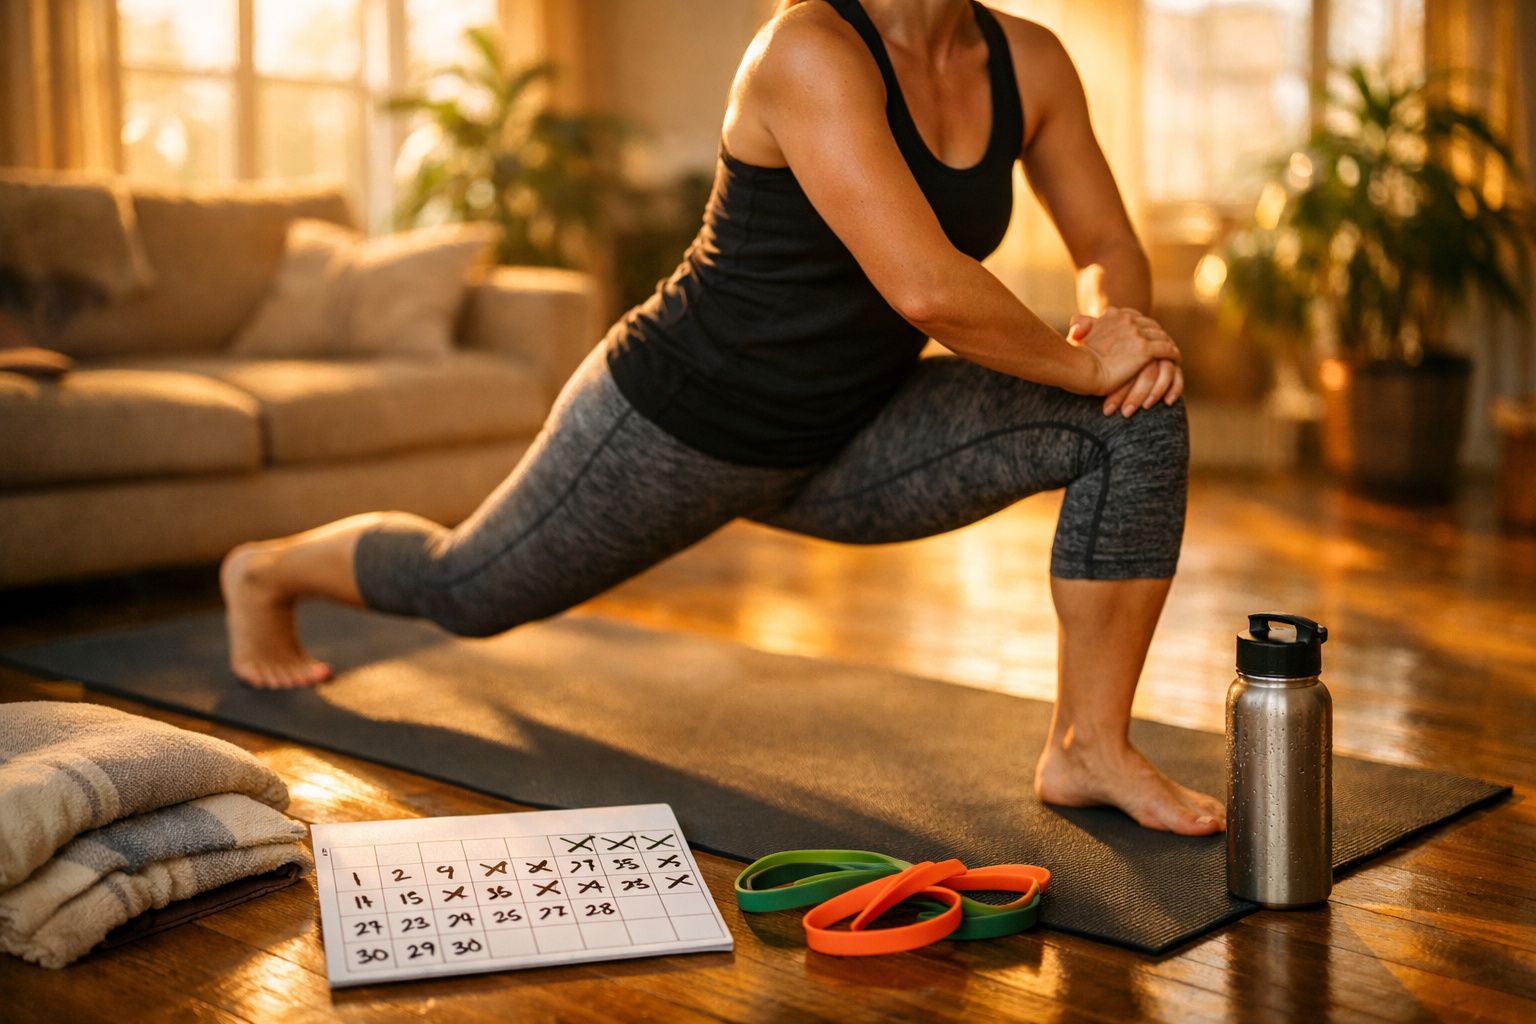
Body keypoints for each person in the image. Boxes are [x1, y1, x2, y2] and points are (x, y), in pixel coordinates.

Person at [221, 0, 1226, 836]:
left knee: (1133, 419)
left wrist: (1116, 328)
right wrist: (1084, 362)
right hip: (678, 421)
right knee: (467, 588)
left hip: (854, 431)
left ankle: (1089, 746)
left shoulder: (1029, 61)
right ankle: (267, 571)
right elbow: (926, 289)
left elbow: (1107, 241)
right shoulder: (808, 48)